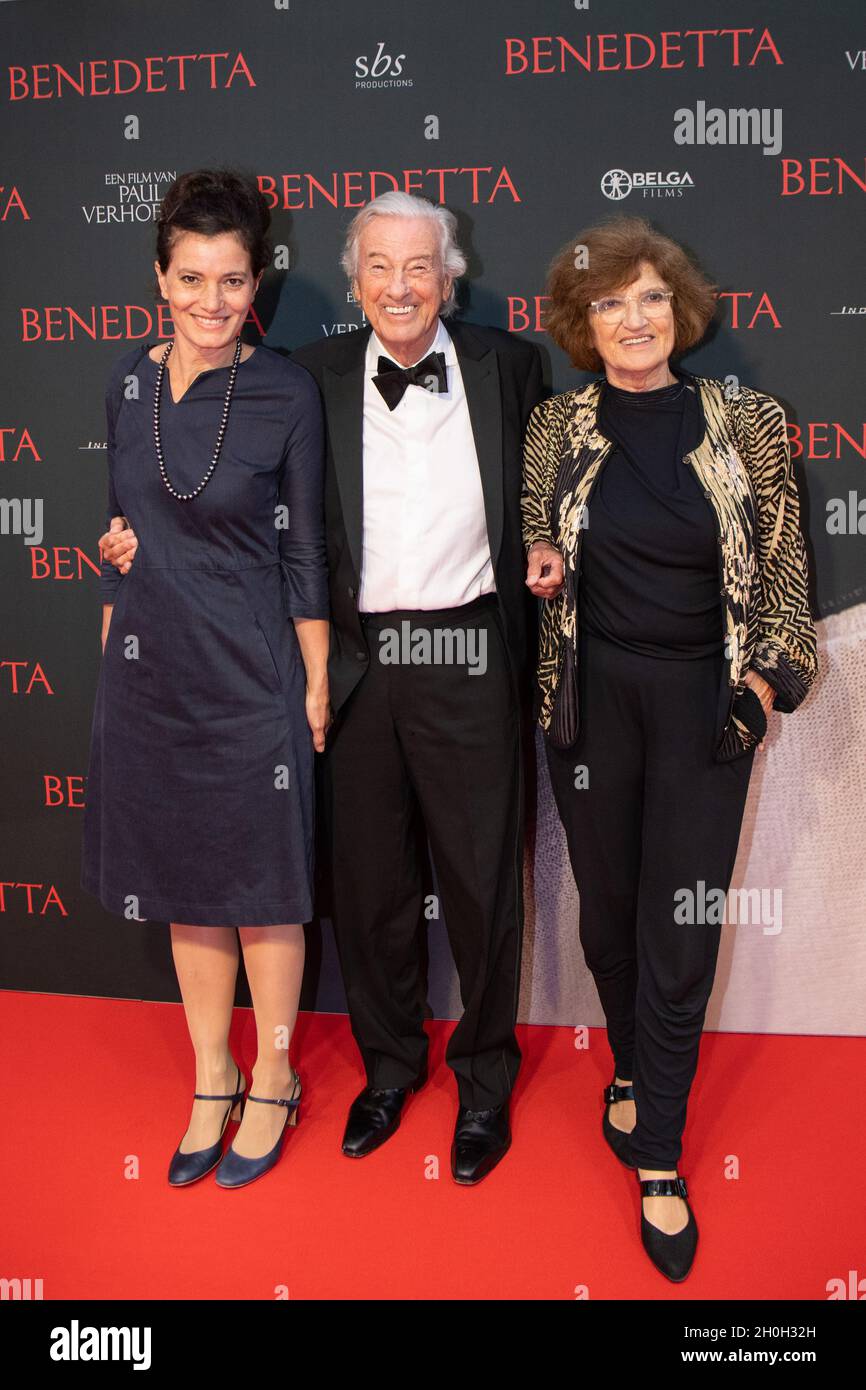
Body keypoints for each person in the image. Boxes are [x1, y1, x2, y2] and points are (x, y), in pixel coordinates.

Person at [104, 190, 545, 1184]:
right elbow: (263, 527)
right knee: (371, 886)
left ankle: (482, 1080)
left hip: (469, 651)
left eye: (418, 266)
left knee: (480, 885)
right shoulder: (309, 378)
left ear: (448, 273)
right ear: (352, 279)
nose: (398, 286)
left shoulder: (510, 366)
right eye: (379, 267)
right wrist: (130, 549)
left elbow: (548, 493)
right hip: (350, 661)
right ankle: (389, 1068)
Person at [522, 215, 817, 1279]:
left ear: (678, 309)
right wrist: (545, 558)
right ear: (580, 324)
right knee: (607, 912)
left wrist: (757, 687)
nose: (632, 319)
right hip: (591, 704)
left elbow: (783, 574)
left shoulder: (745, 422)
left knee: (678, 930)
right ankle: (631, 1070)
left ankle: (656, 1159)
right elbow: (535, 531)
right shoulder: (556, 425)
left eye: (648, 297)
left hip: (704, 707)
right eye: (607, 303)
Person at [82, 169, 330, 1191]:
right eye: (193, 277)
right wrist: (111, 625)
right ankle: (211, 1073)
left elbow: (307, 552)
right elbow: (123, 527)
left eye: (232, 279)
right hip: (149, 672)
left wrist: (313, 685)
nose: (212, 299)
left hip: (251, 674)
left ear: (254, 282)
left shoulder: (285, 391)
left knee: (263, 893)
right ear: (160, 276)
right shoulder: (127, 384)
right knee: (190, 888)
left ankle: (273, 1074)